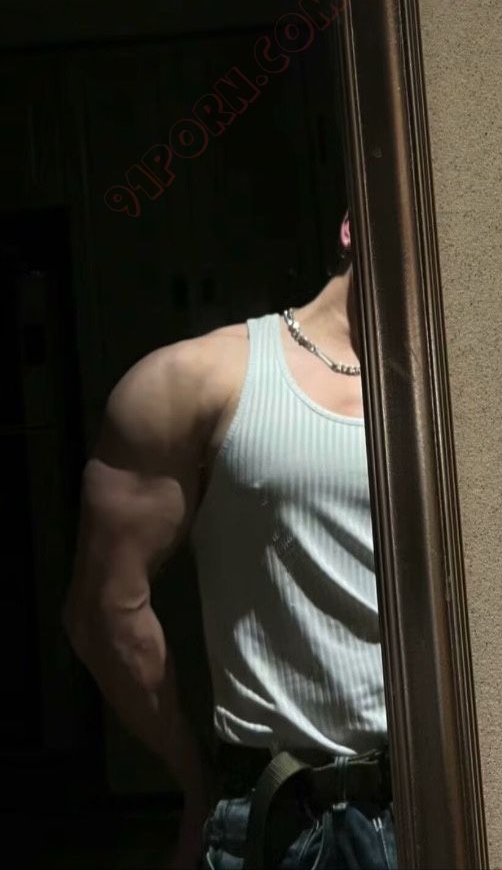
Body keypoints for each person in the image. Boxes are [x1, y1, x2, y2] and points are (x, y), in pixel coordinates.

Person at [62, 210, 398, 870]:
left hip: (446, 798)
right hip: (286, 821)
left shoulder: (458, 392)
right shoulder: (198, 381)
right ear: (350, 228)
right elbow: (102, 614)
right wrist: (196, 780)